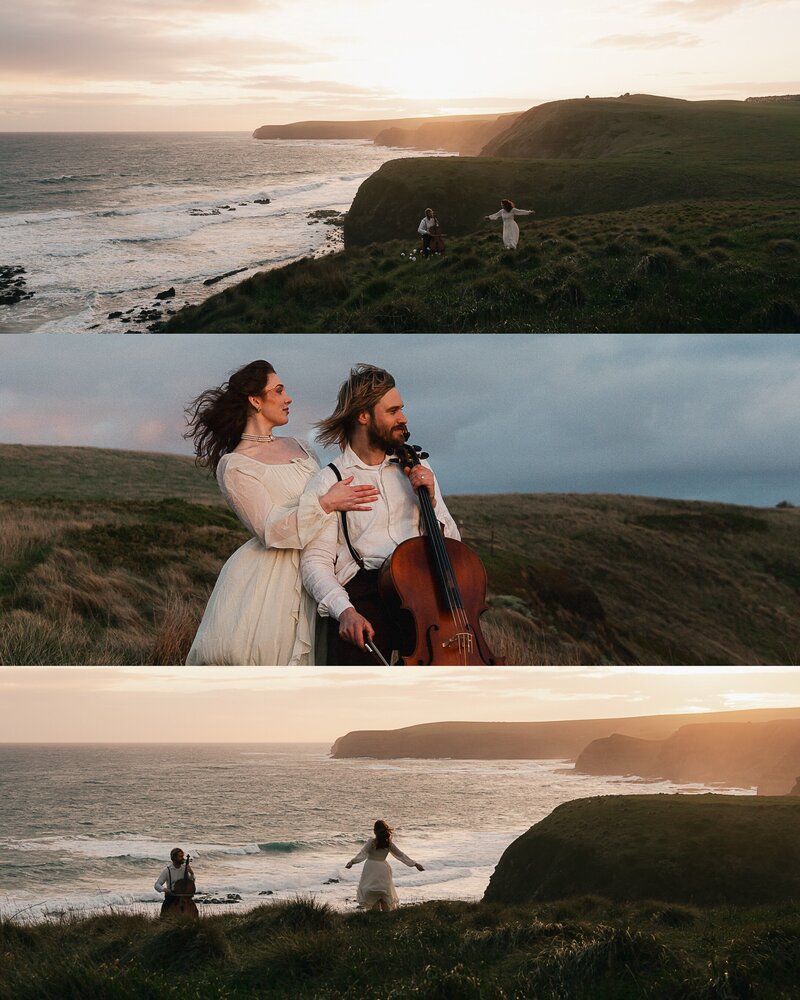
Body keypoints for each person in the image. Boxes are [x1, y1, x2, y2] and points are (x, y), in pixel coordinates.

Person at [185, 360, 379, 665]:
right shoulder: (236, 465)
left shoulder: (301, 446)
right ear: (255, 400)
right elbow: (270, 530)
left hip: (320, 566)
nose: (288, 397)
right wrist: (326, 503)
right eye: (278, 390)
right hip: (270, 581)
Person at [300, 364, 460, 665]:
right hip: (365, 592)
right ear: (363, 416)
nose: (404, 418)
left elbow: (453, 541)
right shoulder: (330, 480)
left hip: (424, 587)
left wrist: (431, 499)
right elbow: (315, 561)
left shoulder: (417, 469)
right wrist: (344, 611)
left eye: (402, 409)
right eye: (393, 411)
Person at [345, 820, 424, 912]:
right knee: (384, 895)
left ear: (375, 831)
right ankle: (387, 919)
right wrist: (415, 864)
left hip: (371, 869)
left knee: (372, 893)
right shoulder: (388, 843)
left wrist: (352, 862)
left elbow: (362, 854)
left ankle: (377, 919)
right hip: (383, 869)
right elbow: (401, 855)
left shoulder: (372, 842)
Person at [155, 847, 195, 917]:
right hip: (172, 897)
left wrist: (191, 873)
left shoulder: (184, 869)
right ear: (174, 858)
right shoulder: (167, 870)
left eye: (183, 856)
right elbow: (157, 885)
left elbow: (191, 882)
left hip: (185, 897)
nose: (183, 858)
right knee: (164, 917)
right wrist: (164, 889)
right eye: (180, 856)